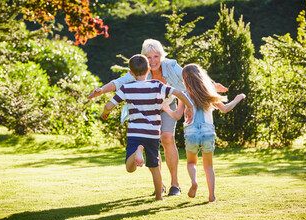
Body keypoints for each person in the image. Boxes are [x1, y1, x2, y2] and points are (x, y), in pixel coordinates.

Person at [89, 38, 227, 196]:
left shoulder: (171, 66)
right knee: (153, 142)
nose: (152, 60)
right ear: (144, 58)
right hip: (148, 109)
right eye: (149, 57)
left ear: (161, 56)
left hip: (168, 105)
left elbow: (192, 76)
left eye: (156, 56)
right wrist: (101, 90)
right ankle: (159, 184)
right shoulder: (140, 69)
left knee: (167, 137)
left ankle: (175, 184)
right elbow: (119, 82)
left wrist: (211, 86)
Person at [100, 54, 193, 200]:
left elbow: (109, 105)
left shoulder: (126, 88)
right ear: (148, 69)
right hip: (152, 133)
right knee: (154, 166)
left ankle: (138, 150)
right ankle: (159, 197)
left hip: (135, 133)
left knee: (130, 168)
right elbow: (179, 93)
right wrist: (189, 106)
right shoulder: (157, 85)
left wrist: (105, 113)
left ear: (130, 72)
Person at [162, 63, 246, 202]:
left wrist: (166, 109)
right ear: (201, 76)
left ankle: (194, 182)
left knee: (191, 162)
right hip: (208, 131)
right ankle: (211, 195)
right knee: (209, 166)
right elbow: (225, 109)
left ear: (184, 80)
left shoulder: (183, 95)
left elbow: (177, 115)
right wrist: (237, 99)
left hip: (191, 132)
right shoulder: (208, 93)